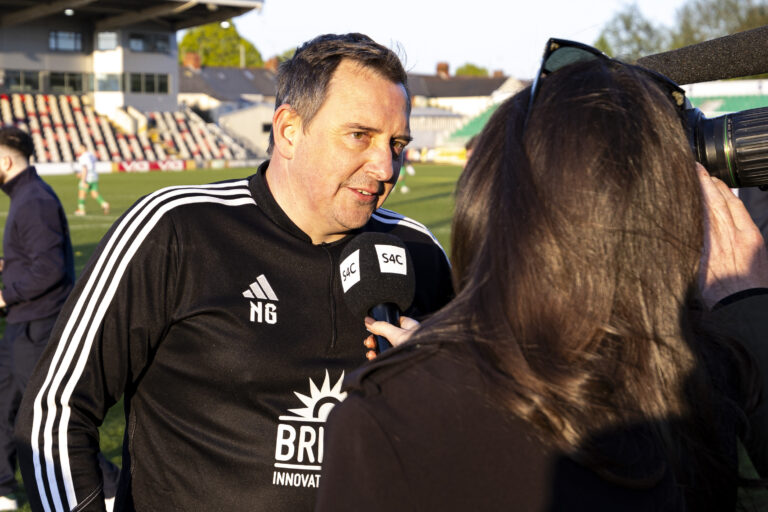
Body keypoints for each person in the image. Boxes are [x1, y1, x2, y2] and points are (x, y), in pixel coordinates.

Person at [317, 39, 768, 511]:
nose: (386, 165)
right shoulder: (702, 392)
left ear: (483, 202)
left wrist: (430, 383)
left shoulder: (386, 416)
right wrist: (749, 313)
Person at [15, 33, 452, 512]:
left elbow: (483, 433)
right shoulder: (177, 230)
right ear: (288, 130)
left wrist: (444, 386)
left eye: (397, 143)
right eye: (359, 136)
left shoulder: (419, 254)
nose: (386, 165)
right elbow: (53, 413)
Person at [0, 127, 75, 511]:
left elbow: (49, 269)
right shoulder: (24, 196)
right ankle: (4, 489)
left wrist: (4, 292)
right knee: (4, 405)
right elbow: (31, 260)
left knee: (46, 420)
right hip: (21, 323)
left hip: (37, 324)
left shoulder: (33, 200)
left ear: (6, 160)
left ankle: (108, 488)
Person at [74, 145, 109, 215]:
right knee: (94, 193)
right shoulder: (91, 155)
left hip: (87, 177)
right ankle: (104, 204)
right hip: (94, 175)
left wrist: (83, 179)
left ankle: (81, 210)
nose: (79, 150)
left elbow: (85, 168)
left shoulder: (83, 157)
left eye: (80, 148)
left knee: (82, 192)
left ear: (83, 148)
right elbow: (91, 165)